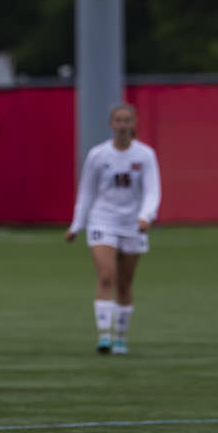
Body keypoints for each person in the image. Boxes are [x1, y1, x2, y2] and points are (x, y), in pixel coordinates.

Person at [65, 102, 161, 354]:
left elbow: (152, 190)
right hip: (102, 220)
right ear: (111, 124)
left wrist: (145, 216)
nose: (122, 126)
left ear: (133, 124)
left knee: (125, 283)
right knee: (106, 276)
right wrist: (77, 225)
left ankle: (120, 337)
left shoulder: (145, 155)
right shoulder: (98, 155)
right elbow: (86, 192)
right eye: (117, 121)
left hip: (132, 224)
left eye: (126, 121)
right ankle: (104, 336)